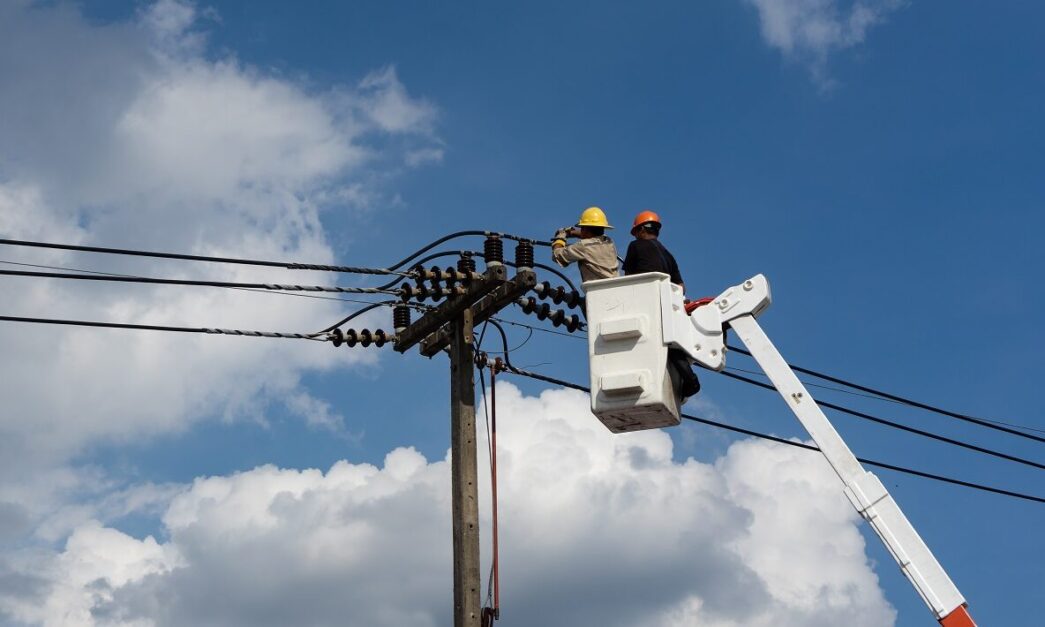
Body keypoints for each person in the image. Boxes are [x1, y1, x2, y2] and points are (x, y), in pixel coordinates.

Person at [623, 210, 701, 400]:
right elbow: (681, 286)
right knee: (669, 342)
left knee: (649, 340)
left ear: (641, 230)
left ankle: (682, 381)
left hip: (646, 300)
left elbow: (627, 280)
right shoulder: (668, 254)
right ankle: (688, 379)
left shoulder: (635, 246)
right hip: (668, 302)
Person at [551, 206, 620, 283]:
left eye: (582, 228)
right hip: (616, 288)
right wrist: (571, 232)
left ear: (586, 230)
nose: (581, 230)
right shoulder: (609, 242)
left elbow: (557, 255)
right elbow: (592, 236)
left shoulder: (583, 247)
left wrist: (560, 238)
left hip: (597, 291)